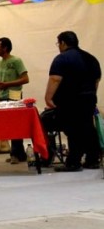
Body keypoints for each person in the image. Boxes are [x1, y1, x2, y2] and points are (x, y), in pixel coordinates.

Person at [45, 31, 102, 172]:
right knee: (88, 127)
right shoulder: (91, 58)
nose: (58, 46)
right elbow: (96, 81)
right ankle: (93, 159)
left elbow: (55, 79)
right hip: (88, 99)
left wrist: (48, 97)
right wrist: (91, 96)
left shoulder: (62, 58)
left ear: (63, 42)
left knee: (73, 130)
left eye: (58, 43)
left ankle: (73, 162)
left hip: (69, 101)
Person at [0, 37, 30, 164]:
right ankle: (19, 153)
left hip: (14, 95)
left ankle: (15, 153)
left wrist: (8, 84)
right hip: (2, 96)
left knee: (15, 125)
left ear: (5, 48)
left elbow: (25, 79)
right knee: (8, 126)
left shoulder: (16, 61)